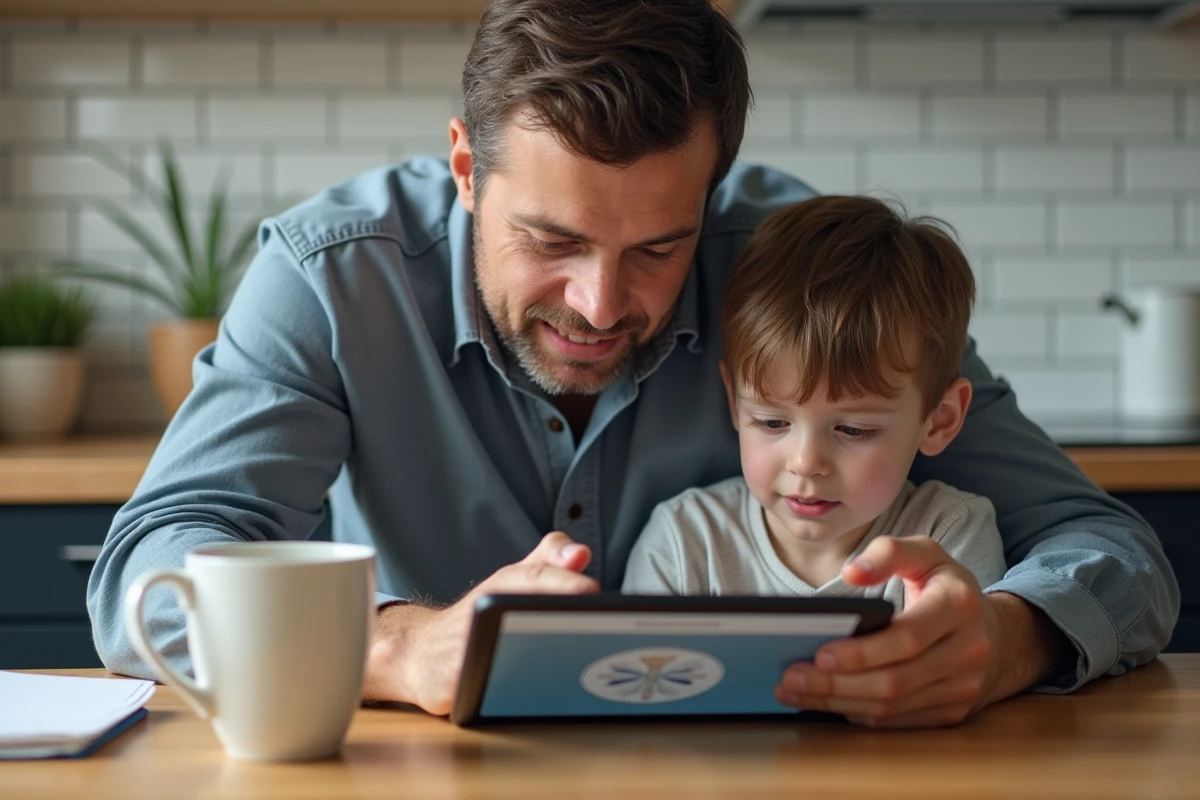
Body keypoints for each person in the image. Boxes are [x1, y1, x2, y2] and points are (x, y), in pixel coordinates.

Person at [87, 0, 1178, 728]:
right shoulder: (336, 278)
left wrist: (1011, 633)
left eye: (659, 247)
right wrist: (392, 648)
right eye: (553, 242)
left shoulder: (800, 272)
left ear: (713, 190)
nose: (603, 306)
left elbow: (1114, 549)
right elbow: (148, 569)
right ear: (467, 167)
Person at [623, 196, 1008, 613]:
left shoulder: (950, 536)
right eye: (771, 422)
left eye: (853, 429)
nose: (805, 463)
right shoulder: (683, 543)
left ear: (939, 420)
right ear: (735, 402)